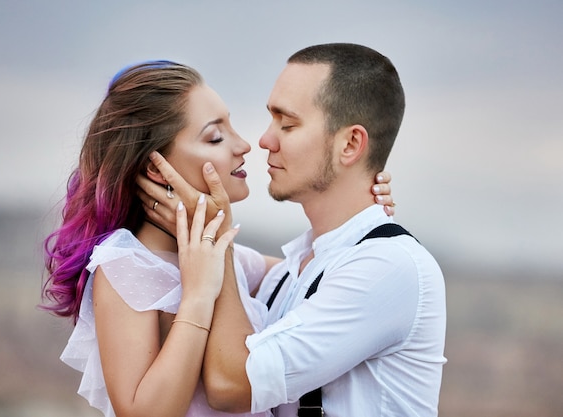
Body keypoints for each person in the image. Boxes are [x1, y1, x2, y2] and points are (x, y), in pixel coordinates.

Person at [41, 59, 395, 417]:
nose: (243, 145)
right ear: (155, 167)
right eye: (215, 136)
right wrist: (197, 297)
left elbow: (314, 273)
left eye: (232, 127)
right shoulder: (127, 265)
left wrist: (361, 207)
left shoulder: (226, 256)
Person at [145, 43, 446, 417]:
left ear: (350, 144)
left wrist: (216, 236)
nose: (264, 140)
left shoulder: (388, 266)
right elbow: (182, 263)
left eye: (287, 124)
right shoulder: (291, 270)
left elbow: (231, 386)